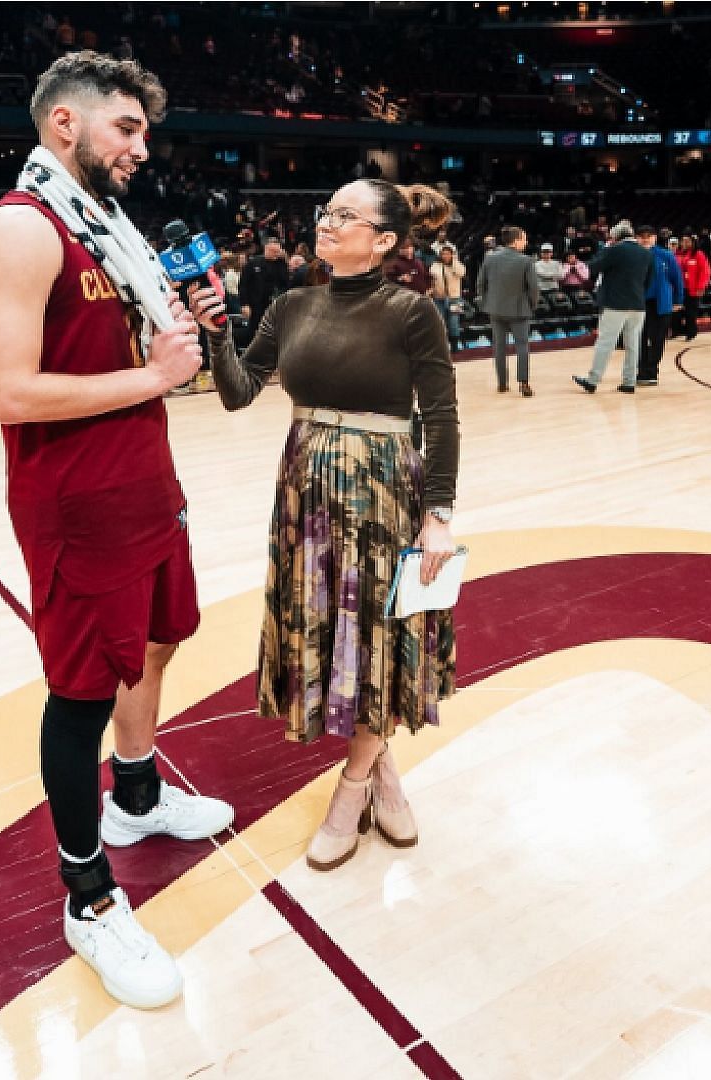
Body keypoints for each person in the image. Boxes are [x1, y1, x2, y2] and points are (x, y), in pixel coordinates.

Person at [0, 50, 234, 1011]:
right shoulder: (19, 230)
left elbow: (137, 357)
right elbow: (10, 394)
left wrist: (177, 346)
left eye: (146, 131)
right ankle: (88, 897)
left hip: (145, 487)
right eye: (128, 128)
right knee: (79, 695)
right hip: (76, 507)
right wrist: (152, 378)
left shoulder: (111, 230)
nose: (142, 148)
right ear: (65, 123)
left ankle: (140, 797)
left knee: (159, 646)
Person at [193, 178, 459, 874]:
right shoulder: (292, 305)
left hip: (384, 491)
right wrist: (218, 332)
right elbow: (238, 392)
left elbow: (442, 418)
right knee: (342, 634)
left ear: (385, 240)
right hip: (307, 488)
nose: (329, 222)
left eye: (348, 215)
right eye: (329, 212)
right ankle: (386, 775)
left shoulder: (412, 310)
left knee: (376, 635)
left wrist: (438, 515)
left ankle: (350, 790)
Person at [572, 220, 652, 394]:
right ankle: (629, 382)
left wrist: (606, 248)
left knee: (605, 343)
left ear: (616, 236)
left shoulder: (614, 249)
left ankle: (593, 380)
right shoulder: (646, 253)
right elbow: (649, 279)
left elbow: (591, 268)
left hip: (615, 304)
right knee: (633, 344)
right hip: (638, 304)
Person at [476, 226, 540, 396]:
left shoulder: (490, 258)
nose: (526, 242)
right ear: (517, 240)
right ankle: (524, 383)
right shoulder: (526, 261)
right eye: (524, 239)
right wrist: (532, 305)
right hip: (519, 310)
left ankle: (502, 384)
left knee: (499, 347)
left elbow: (481, 284)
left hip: (495, 309)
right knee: (522, 347)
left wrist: (486, 303)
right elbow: (533, 288)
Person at [636, 225, 685, 387]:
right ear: (636, 238)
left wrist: (678, 300)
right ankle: (641, 370)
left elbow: (677, 279)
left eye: (648, 236)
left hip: (660, 303)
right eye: (641, 236)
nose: (645, 238)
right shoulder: (632, 255)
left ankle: (651, 370)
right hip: (638, 304)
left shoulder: (666, 255)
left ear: (655, 237)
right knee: (639, 338)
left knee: (657, 339)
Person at [239, 237, 292, 327]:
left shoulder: (281, 263)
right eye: (273, 251)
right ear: (266, 249)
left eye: (277, 251)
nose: (276, 254)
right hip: (256, 305)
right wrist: (244, 304)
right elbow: (243, 285)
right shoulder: (253, 263)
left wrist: (285, 259)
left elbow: (286, 283)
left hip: (275, 304)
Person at [429, 242, 466, 351]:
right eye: (443, 254)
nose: (445, 256)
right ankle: (443, 346)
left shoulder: (457, 264)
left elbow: (462, 273)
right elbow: (431, 276)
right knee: (441, 322)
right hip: (439, 298)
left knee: (454, 322)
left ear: (452, 254)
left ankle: (455, 346)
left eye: (447, 254)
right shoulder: (435, 265)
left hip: (454, 298)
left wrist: (453, 262)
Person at [675, 235, 711, 340]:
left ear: (693, 242)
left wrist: (701, 287)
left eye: (687, 241)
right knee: (678, 311)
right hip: (680, 288)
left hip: (693, 289)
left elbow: (705, 271)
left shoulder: (698, 255)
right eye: (683, 241)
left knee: (690, 312)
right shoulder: (677, 254)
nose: (685, 243)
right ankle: (679, 331)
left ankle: (691, 332)